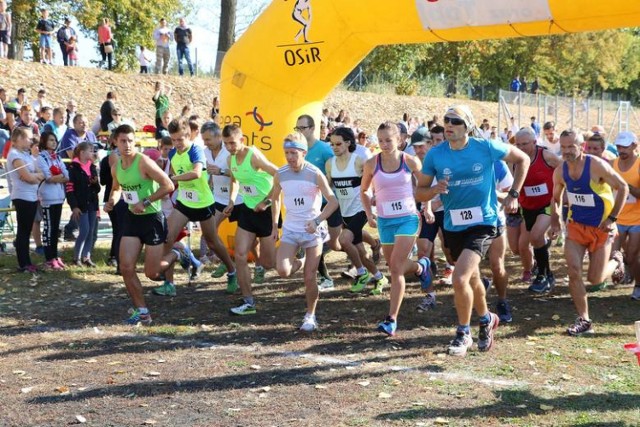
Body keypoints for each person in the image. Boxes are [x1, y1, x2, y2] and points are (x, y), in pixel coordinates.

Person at [417, 105, 530, 356]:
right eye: (446, 120)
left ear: (467, 125)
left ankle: (463, 332)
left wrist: (513, 194)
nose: (449, 125)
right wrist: (434, 191)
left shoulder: (485, 146)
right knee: (473, 277)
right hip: (454, 223)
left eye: (455, 121)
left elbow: (523, 159)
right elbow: (419, 191)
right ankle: (486, 318)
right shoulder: (435, 155)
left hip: (484, 222)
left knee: (459, 278)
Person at [549, 129, 627, 335]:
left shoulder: (596, 165)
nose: (566, 151)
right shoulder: (560, 171)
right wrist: (555, 219)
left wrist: (612, 219)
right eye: (563, 147)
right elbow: (556, 197)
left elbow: (623, 187)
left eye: (570, 147)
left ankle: (617, 261)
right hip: (576, 226)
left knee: (596, 279)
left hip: (601, 227)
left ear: (581, 146)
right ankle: (584, 320)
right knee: (573, 271)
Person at [361, 122, 433, 336]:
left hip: (408, 219)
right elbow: (364, 190)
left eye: (388, 140)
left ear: (400, 140)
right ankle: (421, 267)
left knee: (394, 268)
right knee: (398, 266)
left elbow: (425, 186)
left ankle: (391, 319)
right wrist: (368, 214)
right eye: (380, 140)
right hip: (385, 220)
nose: (384, 144)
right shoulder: (371, 163)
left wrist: (427, 207)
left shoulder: (409, 161)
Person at [104, 125, 175, 325]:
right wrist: (112, 200)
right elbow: (117, 188)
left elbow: (168, 185)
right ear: (115, 142)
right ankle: (142, 311)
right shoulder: (116, 166)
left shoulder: (143, 162)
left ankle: (178, 254)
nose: (127, 145)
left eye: (130, 141)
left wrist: (145, 202)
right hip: (131, 219)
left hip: (152, 219)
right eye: (123, 141)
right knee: (126, 267)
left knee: (152, 273)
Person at [272, 133, 338, 331]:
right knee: (283, 271)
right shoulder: (280, 173)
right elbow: (275, 198)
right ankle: (299, 262)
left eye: (293, 153)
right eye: (286, 153)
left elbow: (333, 201)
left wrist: (317, 220)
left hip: (312, 231)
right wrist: (275, 224)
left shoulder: (315, 173)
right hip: (291, 229)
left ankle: (310, 315)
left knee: (309, 278)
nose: (290, 157)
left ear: (304, 152)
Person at [151, 118, 218, 297]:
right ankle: (169, 284)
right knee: (168, 238)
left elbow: (196, 173)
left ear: (188, 135)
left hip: (203, 202)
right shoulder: (173, 154)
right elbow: (175, 175)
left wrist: (173, 180)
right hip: (184, 203)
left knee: (212, 242)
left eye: (180, 139)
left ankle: (232, 270)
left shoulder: (196, 150)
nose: (177, 144)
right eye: (173, 140)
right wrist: (165, 190)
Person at [223, 124, 278, 315]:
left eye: (232, 143)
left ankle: (302, 261)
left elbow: (278, 174)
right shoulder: (231, 158)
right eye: (226, 144)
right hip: (248, 210)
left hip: (266, 212)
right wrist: (231, 200)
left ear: (242, 140)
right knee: (240, 255)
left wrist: (267, 201)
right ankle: (248, 302)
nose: (229, 147)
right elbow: (235, 180)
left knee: (271, 263)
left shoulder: (253, 155)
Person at [326, 126, 387, 295]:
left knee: (344, 240)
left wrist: (374, 201)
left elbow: (374, 181)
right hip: (345, 211)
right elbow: (328, 187)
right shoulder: (330, 164)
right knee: (360, 250)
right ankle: (379, 276)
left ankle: (361, 273)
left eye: (338, 144)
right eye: (332, 144)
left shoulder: (359, 161)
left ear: (348, 143)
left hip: (360, 208)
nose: (335, 147)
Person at [513, 127, 562, 294]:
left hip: (548, 204)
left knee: (535, 236)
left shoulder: (546, 156)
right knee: (529, 243)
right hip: (527, 206)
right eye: (517, 144)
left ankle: (541, 275)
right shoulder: (514, 159)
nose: (521, 147)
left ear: (534, 142)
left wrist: (562, 195)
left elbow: (565, 171)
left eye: (525, 144)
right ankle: (548, 274)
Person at [296, 114, 339, 290]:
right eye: (297, 128)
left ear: (313, 129)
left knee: (339, 243)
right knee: (315, 240)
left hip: (329, 202)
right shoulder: (297, 149)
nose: (299, 131)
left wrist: (324, 186)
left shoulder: (324, 150)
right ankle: (326, 278)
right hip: (310, 205)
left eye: (302, 128)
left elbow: (334, 175)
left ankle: (370, 245)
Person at [201, 121, 239, 292]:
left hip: (239, 199)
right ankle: (229, 266)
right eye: (204, 140)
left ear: (218, 136)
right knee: (210, 233)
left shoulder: (230, 150)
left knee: (251, 243)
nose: (206, 143)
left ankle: (259, 267)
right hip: (217, 198)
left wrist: (221, 171)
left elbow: (241, 172)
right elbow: (205, 173)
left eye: (208, 139)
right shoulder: (204, 152)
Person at [6, 128, 45, 273]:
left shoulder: (26, 155)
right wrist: (35, 176)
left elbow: (37, 174)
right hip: (22, 197)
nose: (31, 141)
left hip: (31, 196)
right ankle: (23, 264)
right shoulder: (15, 155)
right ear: (19, 139)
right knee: (23, 231)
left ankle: (27, 261)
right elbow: (27, 177)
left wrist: (34, 176)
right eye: (28, 138)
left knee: (26, 230)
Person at [610, 132, 640, 299]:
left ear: (635, 145)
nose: (621, 150)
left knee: (633, 255)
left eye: (625, 146)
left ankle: (638, 285)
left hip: (637, 219)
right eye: (619, 146)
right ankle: (623, 272)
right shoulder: (612, 164)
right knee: (613, 254)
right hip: (617, 218)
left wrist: (625, 187)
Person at [37, 131, 68, 270]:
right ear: (44, 142)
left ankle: (55, 256)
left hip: (59, 197)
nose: (54, 142)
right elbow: (48, 177)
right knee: (49, 228)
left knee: (55, 228)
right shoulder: (41, 157)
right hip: (48, 197)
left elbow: (67, 175)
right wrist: (58, 177)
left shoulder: (57, 157)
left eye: (55, 140)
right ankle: (49, 258)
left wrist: (59, 176)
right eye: (50, 140)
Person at [65, 142, 100, 267]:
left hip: (92, 204)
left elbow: (97, 189)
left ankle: (86, 256)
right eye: (90, 150)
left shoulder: (92, 167)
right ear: (82, 153)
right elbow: (69, 189)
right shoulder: (73, 168)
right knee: (84, 230)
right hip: (80, 205)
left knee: (91, 231)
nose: (93, 153)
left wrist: (95, 183)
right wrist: (74, 206)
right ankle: (76, 257)